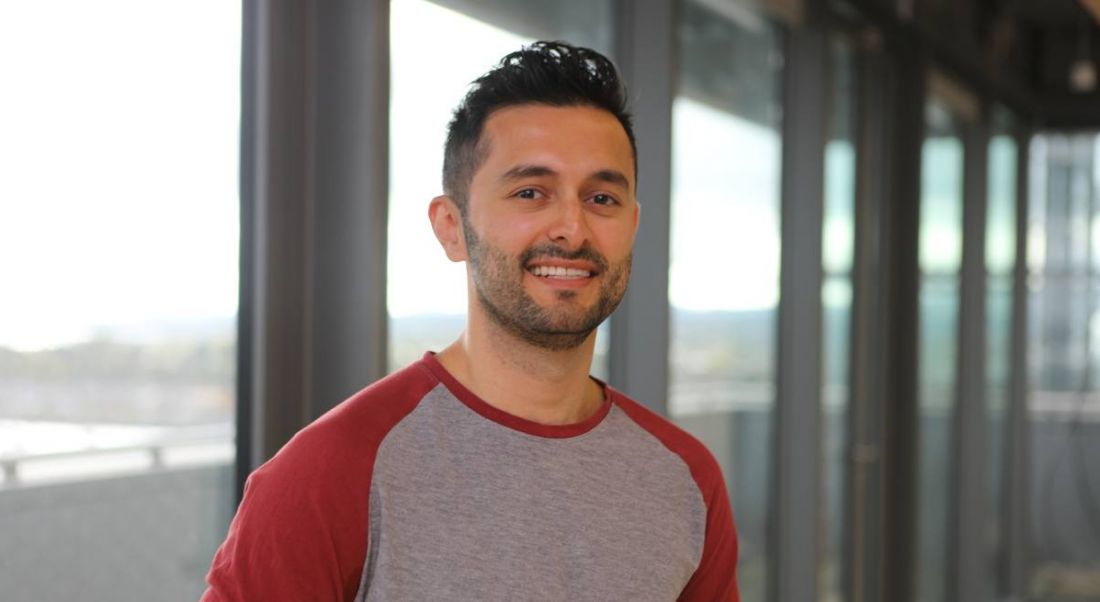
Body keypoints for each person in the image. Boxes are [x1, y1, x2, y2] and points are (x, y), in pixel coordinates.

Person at [202, 40, 739, 601]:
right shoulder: (331, 473)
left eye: (601, 198)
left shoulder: (686, 482)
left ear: (632, 224)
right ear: (451, 227)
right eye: (530, 192)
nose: (572, 229)